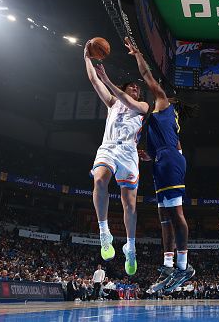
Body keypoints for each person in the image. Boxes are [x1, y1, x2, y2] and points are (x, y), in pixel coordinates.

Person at [123, 37, 194, 293]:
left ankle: (184, 266)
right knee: (164, 217)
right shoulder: (161, 121)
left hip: (170, 161)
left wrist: (138, 53)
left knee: (176, 215)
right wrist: (150, 157)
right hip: (163, 160)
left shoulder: (162, 103)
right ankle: (169, 265)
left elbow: (146, 74)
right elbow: (170, 145)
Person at [84, 41, 149, 276]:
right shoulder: (112, 104)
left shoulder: (142, 106)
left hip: (129, 153)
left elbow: (130, 101)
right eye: (132, 88)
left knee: (129, 205)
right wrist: (87, 57)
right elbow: (93, 81)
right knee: (100, 179)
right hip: (109, 147)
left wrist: (109, 80)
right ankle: (104, 232)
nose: (135, 90)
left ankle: (130, 247)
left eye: (137, 89)